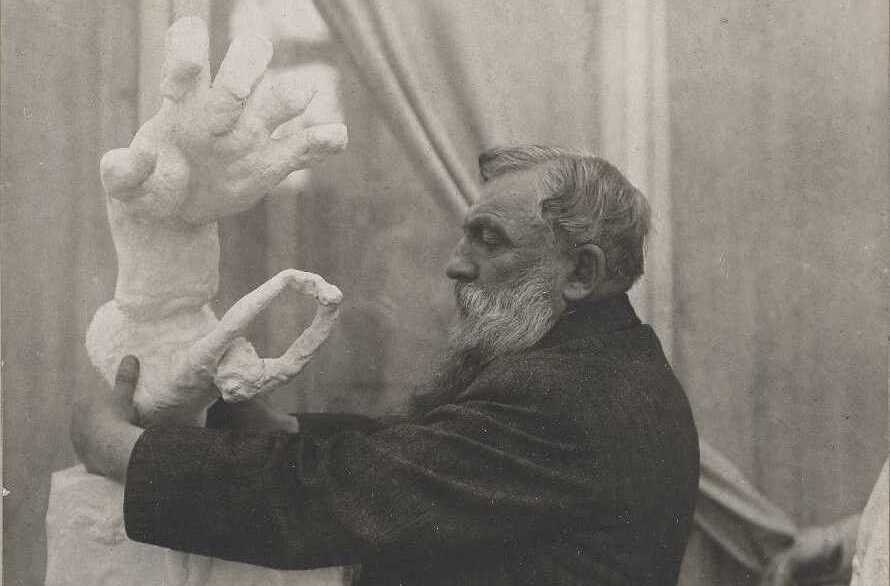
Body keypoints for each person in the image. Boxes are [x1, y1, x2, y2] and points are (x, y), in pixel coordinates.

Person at [72, 145, 701, 585]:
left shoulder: (563, 394)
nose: (456, 265)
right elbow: (432, 457)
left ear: (582, 272)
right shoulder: (602, 363)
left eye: (490, 240)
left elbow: (338, 497)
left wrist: (122, 449)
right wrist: (286, 431)